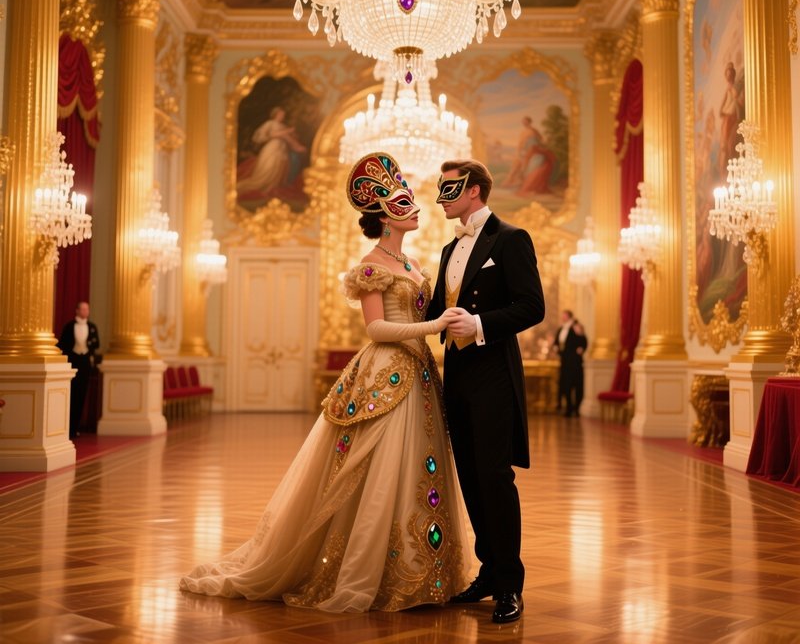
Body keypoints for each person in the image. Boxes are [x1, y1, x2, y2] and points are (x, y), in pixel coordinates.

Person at [181, 152, 470, 611]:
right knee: (374, 470)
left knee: (417, 467)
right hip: (385, 374)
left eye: (412, 198)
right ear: (384, 214)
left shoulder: (414, 264)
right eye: (404, 200)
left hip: (419, 376)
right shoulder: (371, 266)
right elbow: (375, 329)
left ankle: (419, 570)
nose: (416, 207)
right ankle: (365, 571)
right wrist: (431, 329)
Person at [427, 159, 545, 624]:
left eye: (449, 189)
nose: (442, 197)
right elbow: (437, 307)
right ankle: (489, 572)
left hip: (494, 370)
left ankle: (510, 585)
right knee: (471, 478)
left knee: (495, 477)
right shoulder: (445, 250)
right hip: (457, 373)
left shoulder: (511, 239)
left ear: (474, 190)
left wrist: (479, 323)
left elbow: (532, 306)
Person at [236, 107, 307, 201]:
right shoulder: (270, 123)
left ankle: (270, 188)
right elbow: (267, 135)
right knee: (269, 166)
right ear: (276, 114)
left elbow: (288, 139)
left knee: (277, 168)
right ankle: (262, 185)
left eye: (283, 114)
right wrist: (287, 132)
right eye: (281, 114)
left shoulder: (283, 126)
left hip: (282, 150)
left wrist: (296, 146)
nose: (282, 116)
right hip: (272, 148)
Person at [57, 301, 101, 439]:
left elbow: (96, 343)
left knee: (81, 396)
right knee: (70, 395)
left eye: (87, 309)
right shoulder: (69, 327)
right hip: (72, 363)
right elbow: (62, 344)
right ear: (77, 311)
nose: (85, 311)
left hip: (85, 364)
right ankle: (66, 428)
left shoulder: (92, 327)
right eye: (82, 309)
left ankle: (75, 427)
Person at [552, 310, 588, 417]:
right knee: (565, 385)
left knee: (577, 386)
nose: (562, 317)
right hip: (565, 362)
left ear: (569, 316)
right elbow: (556, 342)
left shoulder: (576, 326)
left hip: (575, 362)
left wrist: (582, 348)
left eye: (564, 315)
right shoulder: (561, 329)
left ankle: (576, 409)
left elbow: (584, 340)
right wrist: (556, 348)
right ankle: (568, 408)